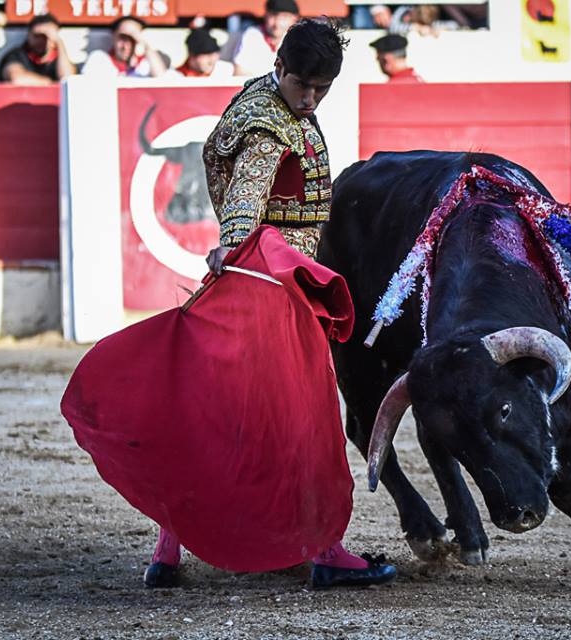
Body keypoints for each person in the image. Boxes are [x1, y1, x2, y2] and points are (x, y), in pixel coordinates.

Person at [148, 18, 396, 590]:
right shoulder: (267, 123)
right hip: (270, 288)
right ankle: (326, 550)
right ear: (279, 67)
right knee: (304, 419)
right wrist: (235, 247)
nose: (309, 99)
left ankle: (169, 546)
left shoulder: (265, 98)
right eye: (302, 85)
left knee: (220, 419)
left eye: (321, 89)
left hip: (264, 282)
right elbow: (247, 192)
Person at [0, 13, 74, 85]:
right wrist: (51, 83)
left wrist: (59, 42)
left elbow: (68, 80)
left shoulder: (60, 59)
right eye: (37, 36)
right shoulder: (16, 55)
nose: (42, 40)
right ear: (29, 35)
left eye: (48, 35)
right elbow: (17, 79)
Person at [81, 15, 166, 78]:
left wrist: (146, 47)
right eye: (122, 38)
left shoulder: (146, 64)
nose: (126, 46)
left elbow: (162, 80)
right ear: (114, 36)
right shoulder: (99, 60)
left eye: (132, 39)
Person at [231, 0, 298, 76]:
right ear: (266, 16)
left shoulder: (297, 40)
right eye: (273, 16)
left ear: (294, 19)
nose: (277, 23)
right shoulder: (252, 35)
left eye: (284, 17)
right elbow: (239, 71)